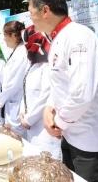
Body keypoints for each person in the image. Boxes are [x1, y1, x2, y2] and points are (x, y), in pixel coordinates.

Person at [27, 0, 98, 181]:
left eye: (31, 12)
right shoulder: (58, 38)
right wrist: (50, 107)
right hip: (71, 134)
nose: (30, 18)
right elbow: (61, 82)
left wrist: (58, 123)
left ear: (45, 10)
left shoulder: (79, 36)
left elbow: (82, 92)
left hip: (92, 140)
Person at [19, 26, 61, 160]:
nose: (25, 46)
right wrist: (22, 111)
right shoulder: (33, 63)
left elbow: (46, 96)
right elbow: (25, 89)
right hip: (31, 124)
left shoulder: (48, 65)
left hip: (44, 129)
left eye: (27, 42)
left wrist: (29, 119)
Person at [0, 21, 28, 138]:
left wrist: (0, 100)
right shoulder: (15, 52)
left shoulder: (21, 54)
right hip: (12, 101)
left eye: (5, 35)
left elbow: (14, 83)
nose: (4, 39)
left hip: (16, 101)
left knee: (17, 139)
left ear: (13, 36)